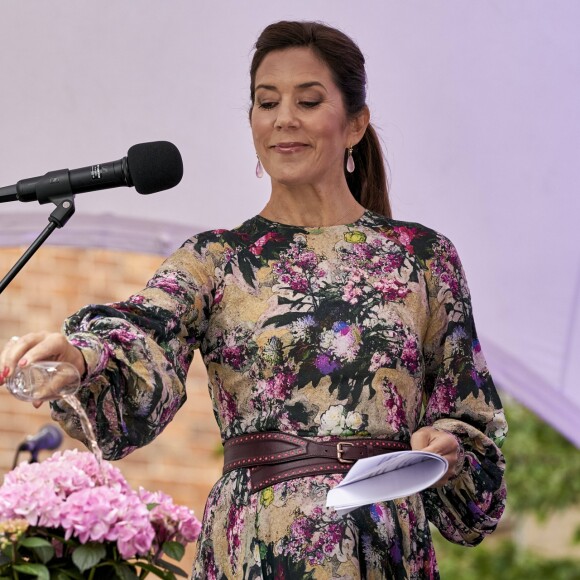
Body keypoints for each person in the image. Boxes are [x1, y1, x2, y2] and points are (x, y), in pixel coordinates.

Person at [0, 20, 507, 580]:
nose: (284, 117)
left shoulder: (424, 258)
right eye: (268, 103)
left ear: (356, 125)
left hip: (383, 543)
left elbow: (473, 433)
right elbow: (145, 327)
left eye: (308, 100)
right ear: (252, 124)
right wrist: (82, 355)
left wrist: (448, 449)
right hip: (256, 543)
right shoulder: (217, 258)